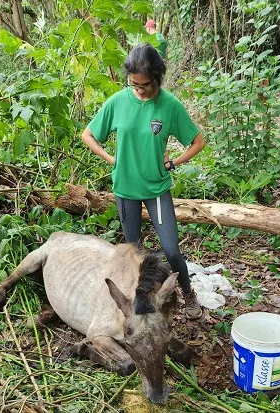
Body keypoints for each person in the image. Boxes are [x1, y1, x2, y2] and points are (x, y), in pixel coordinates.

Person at [81, 43, 205, 319]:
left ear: (157, 78)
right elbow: (88, 135)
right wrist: (112, 159)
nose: (138, 89)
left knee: (172, 251)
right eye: (133, 83)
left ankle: (188, 295)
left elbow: (197, 141)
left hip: (156, 189)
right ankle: (140, 307)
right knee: (133, 254)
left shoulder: (169, 105)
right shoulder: (117, 102)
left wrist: (174, 162)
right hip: (125, 190)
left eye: (145, 84)